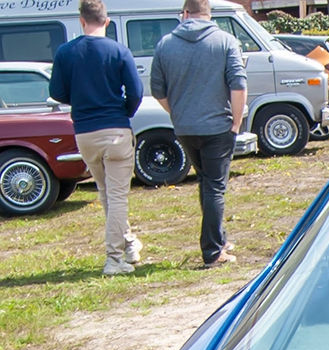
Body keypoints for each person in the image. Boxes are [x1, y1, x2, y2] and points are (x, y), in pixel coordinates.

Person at [49, 0, 143, 276]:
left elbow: (57, 91)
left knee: (106, 193)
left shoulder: (66, 52)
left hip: (85, 131)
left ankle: (128, 245)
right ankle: (114, 259)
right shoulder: (118, 50)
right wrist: (122, 112)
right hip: (115, 128)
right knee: (117, 196)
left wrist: (79, 100)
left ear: (81, 21)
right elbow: (135, 91)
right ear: (107, 21)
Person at [150, 0, 245, 267]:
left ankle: (219, 238)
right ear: (208, 13)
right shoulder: (225, 41)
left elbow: (158, 90)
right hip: (218, 126)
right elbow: (238, 86)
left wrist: (177, 113)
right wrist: (236, 124)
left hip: (185, 127)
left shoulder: (165, 44)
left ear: (185, 13)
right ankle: (213, 252)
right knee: (215, 185)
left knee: (205, 181)